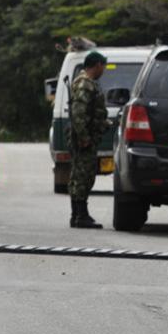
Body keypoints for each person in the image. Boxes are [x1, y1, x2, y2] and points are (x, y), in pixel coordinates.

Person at [68, 49, 109, 228]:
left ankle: (78, 214)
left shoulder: (87, 82)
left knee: (81, 175)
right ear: (97, 65)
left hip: (87, 136)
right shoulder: (85, 83)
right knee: (83, 176)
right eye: (103, 66)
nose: (104, 70)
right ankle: (80, 215)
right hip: (84, 139)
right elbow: (78, 112)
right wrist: (84, 136)